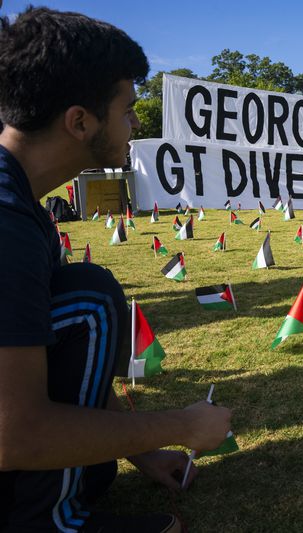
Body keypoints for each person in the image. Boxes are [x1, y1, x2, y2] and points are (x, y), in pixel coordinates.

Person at [0, 8, 231, 532]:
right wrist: (184, 426)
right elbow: (13, 433)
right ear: (80, 121)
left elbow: (65, 357)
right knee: (90, 300)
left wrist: (146, 452)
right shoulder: (7, 224)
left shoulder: (23, 204)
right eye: (127, 109)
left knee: (87, 299)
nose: (135, 124)